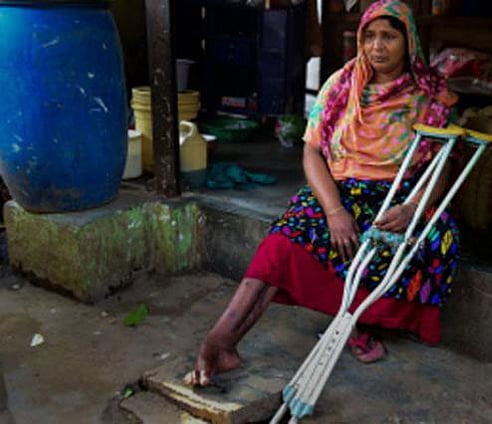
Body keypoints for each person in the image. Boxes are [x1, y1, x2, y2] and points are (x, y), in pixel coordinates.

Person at [187, 0, 459, 387]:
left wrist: (413, 206)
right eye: (369, 36)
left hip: (397, 192)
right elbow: (311, 150)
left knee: (432, 234)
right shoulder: (341, 85)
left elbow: (442, 162)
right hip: (340, 186)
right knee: (282, 245)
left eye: (389, 36)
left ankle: (356, 320)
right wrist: (333, 210)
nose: (377, 47)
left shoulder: (430, 96)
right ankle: (221, 341)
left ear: (409, 41)